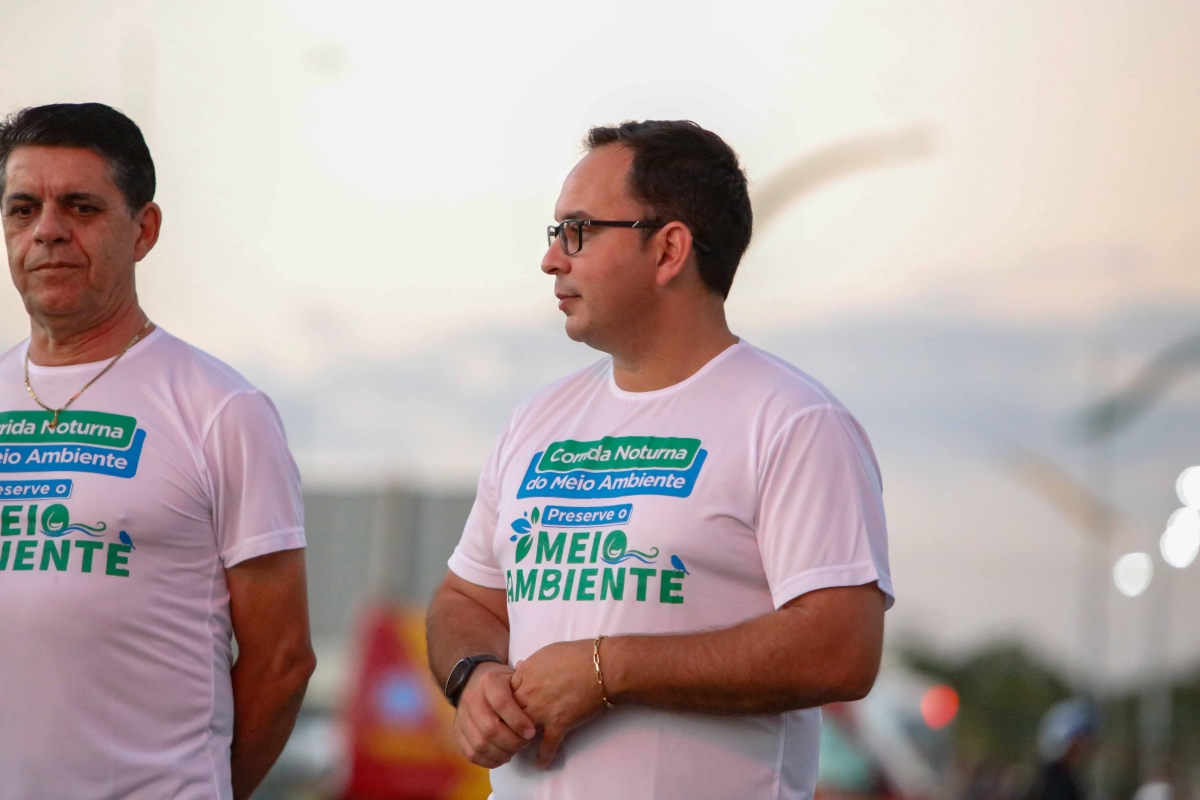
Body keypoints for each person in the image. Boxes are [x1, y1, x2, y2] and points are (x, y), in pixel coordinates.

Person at [426, 120, 893, 799]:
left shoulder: (794, 421)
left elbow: (841, 650)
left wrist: (607, 671)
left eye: (579, 231)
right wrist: (474, 675)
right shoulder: (535, 422)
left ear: (669, 250)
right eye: (556, 232)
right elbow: (465, 599)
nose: (552, 259)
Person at [0, 103, 315, 800]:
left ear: (143, 230)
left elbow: (284, 661)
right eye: (23, 209)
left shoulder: (221, 410)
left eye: (80, 207)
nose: (47, 230)